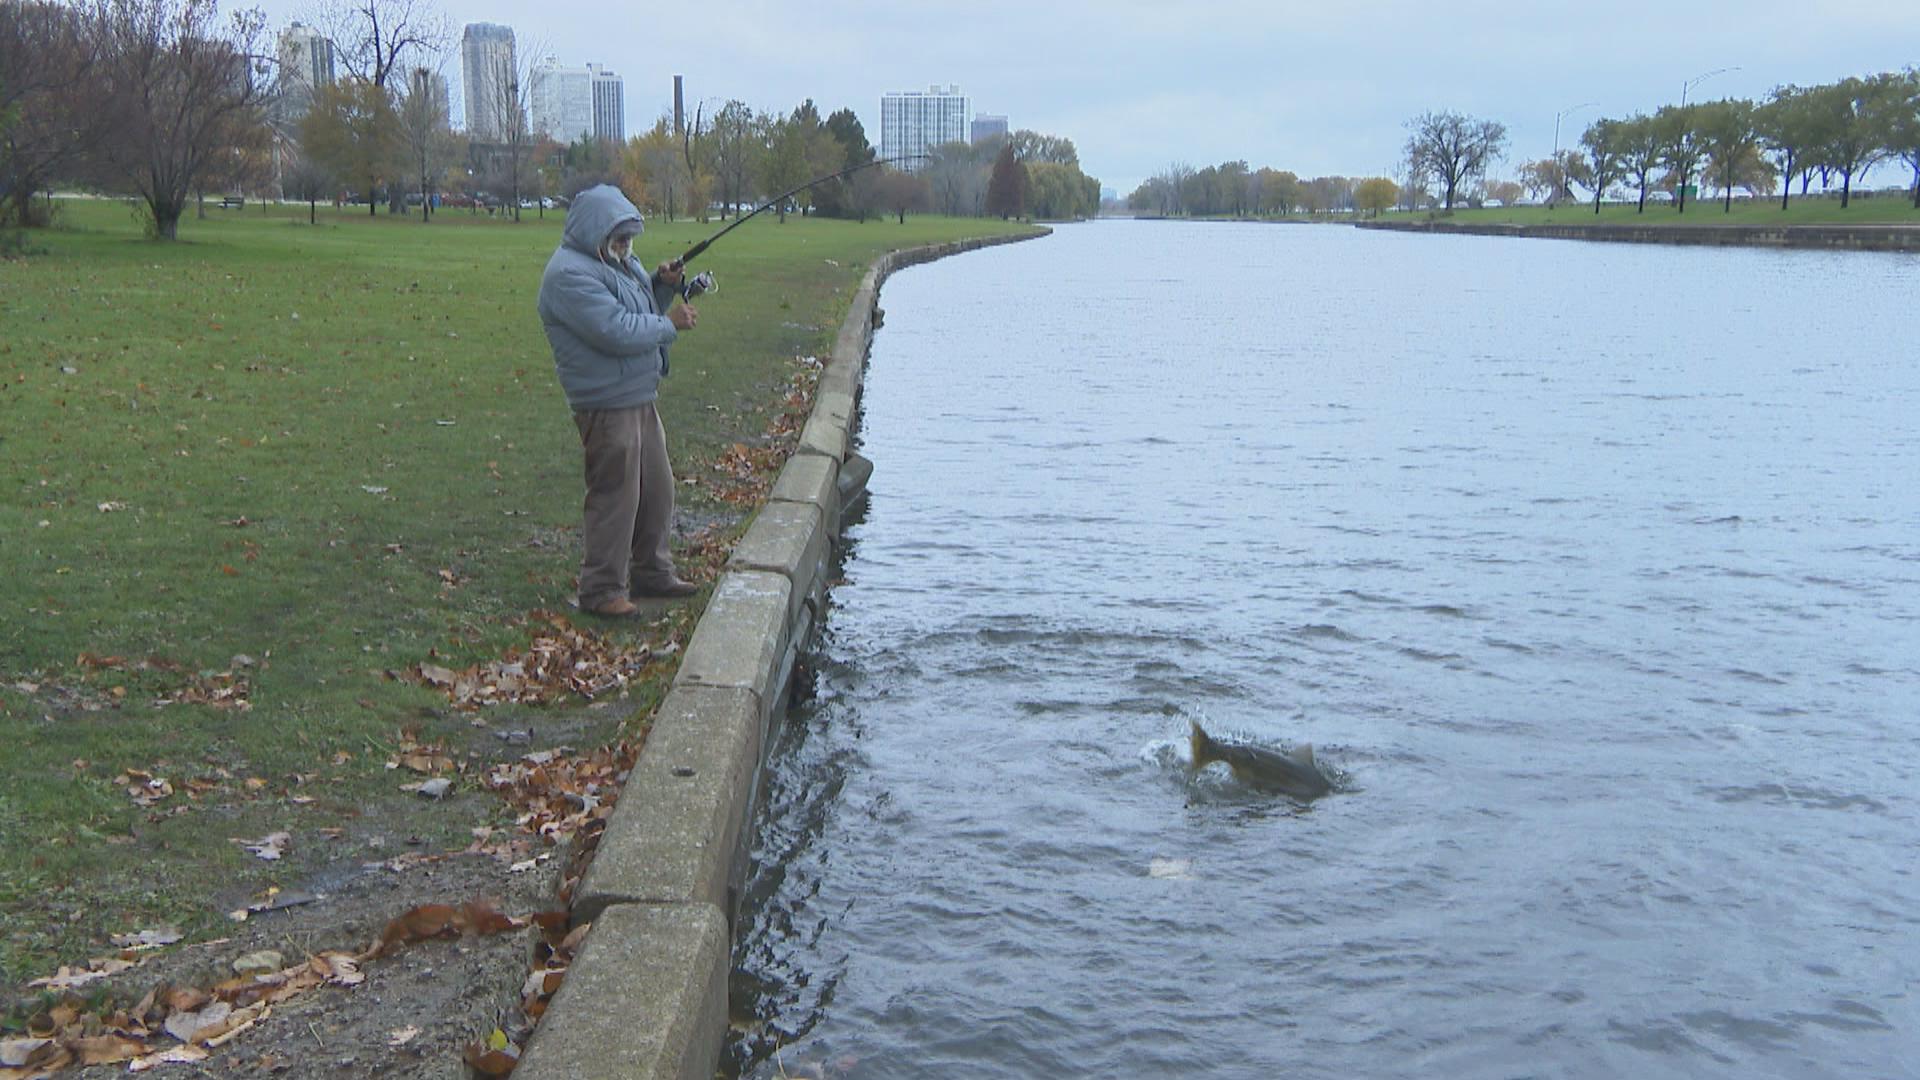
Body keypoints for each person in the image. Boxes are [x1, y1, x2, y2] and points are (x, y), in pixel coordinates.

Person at [537, 183, 701, 617]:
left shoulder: (616, 263)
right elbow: (615, 330)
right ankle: (601, 590)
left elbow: (636, 305)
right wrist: (669, 325)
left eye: (629, 240)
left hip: (639, 395)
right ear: (595, 232)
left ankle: (652, 571)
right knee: (616, 496)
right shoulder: (569, 275)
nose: (627, 247)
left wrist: (660, 286)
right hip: (605, 404)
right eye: (619, 239)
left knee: (657, 490)